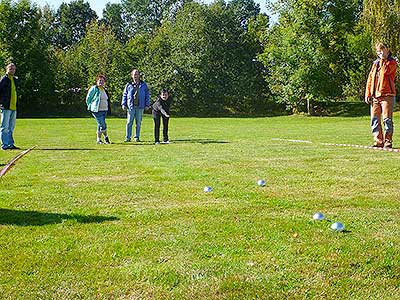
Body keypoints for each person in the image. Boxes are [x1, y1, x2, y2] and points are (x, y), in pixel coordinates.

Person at [365, 42, 397, 148]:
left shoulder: (392, 62)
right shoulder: (375, 64)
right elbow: (370, 79)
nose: (381, 53)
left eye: (382, 50)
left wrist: (383, 59)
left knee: (387, 119)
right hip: (375, 96)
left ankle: (388, 141)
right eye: (379, 51)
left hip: (387, 95)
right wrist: (368, 93)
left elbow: (386, 71)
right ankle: (378, 141)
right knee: (374, 119)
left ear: (387, 50)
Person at [121, 69, 150, 142]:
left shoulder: (143, 85)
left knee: (138, 123)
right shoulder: (128, 85)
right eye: (134, 74)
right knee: (129, 122)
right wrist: (123, 104)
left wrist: (147, 104)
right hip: (131, 106)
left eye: (137, 74)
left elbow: (147, 95)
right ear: (132, 76)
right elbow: (124, 95)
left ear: (139, 75)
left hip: (140, 107)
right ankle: (128, 138)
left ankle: (137, 137)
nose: (136, 76)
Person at [86, 75, 112, 144]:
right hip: (96, 110)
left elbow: (107, 99)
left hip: (104, 110)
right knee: (103, 125)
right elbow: (88, 98)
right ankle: (106, 137)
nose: (101, 82)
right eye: (99, 80)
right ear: (97, 81)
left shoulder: (104, 90)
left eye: (103, 81)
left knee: (99, 125)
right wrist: (90, 106)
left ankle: (99, 139)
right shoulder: (94, 88)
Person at [0, 63, 20, 150]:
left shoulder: (15, 79)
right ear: (7, 69)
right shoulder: (4, 79)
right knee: (4, 127)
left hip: (13, 106)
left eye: (14, 69)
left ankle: (10, 144)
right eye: (11, 69)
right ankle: (4, 145)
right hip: (6, 106)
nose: (13, 70)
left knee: (11, 127)